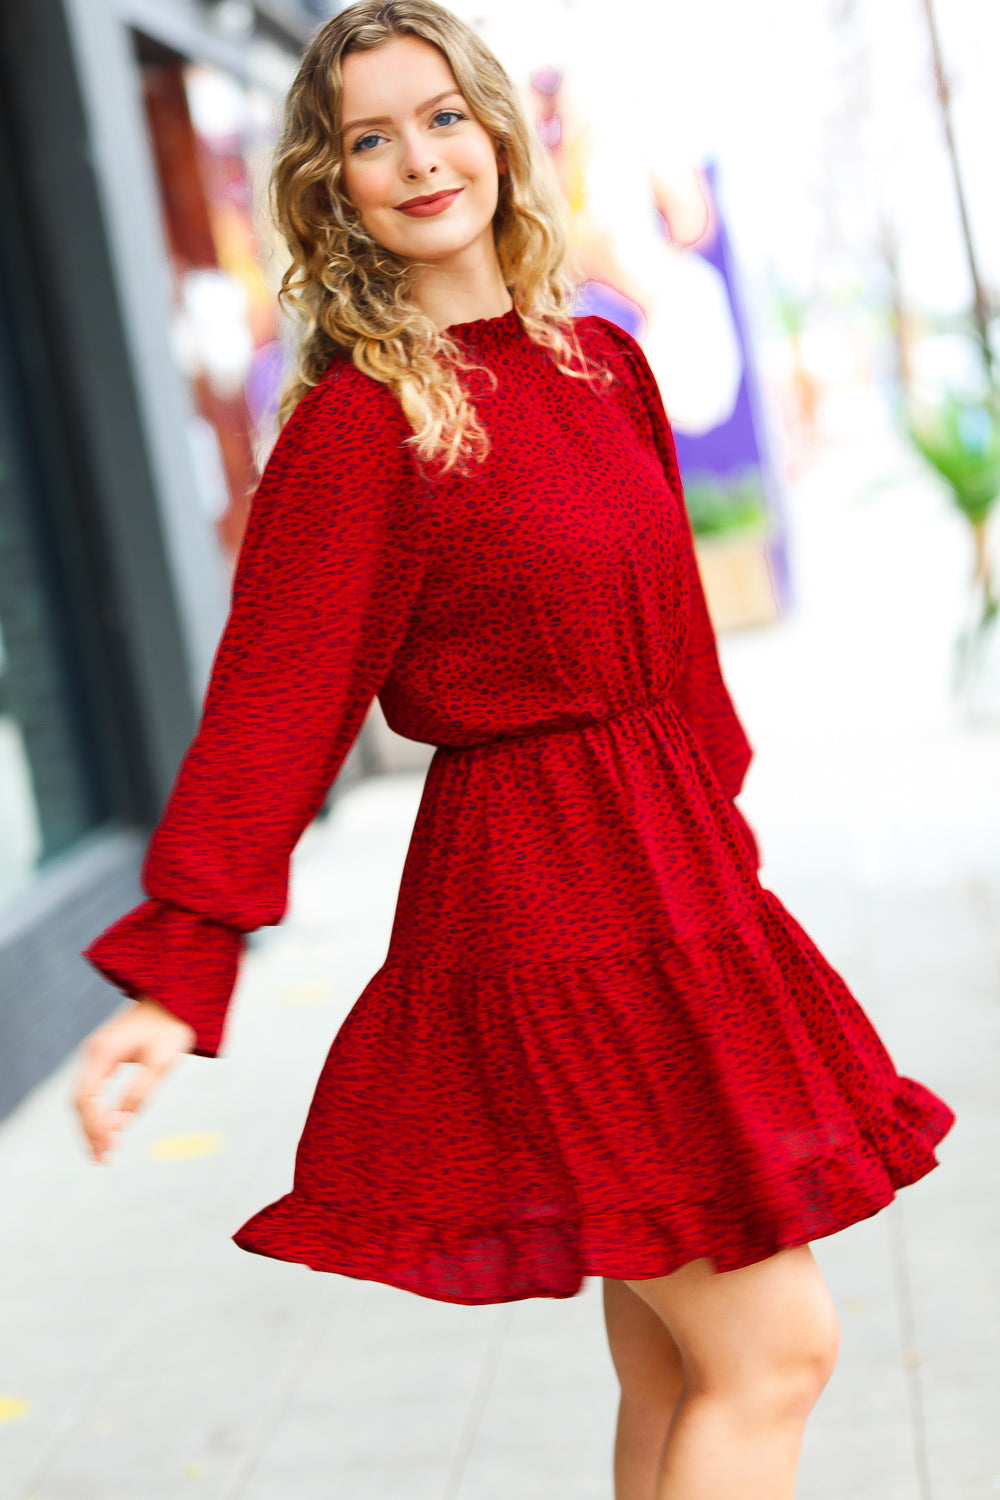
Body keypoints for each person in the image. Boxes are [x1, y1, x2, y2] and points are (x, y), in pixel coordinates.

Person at [74, 4, 955, 1496]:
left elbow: (677, 646)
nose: (416, 160)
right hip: (537, 906)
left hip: (673, 887)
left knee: (676, 1356)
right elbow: (275, 701)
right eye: (369, 138)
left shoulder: (606, 366)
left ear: (496, 130)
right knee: (780, 1348)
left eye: (440, 118)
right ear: (329, 181)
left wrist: (717, 870)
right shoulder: (365, 424)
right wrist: (182, 956)